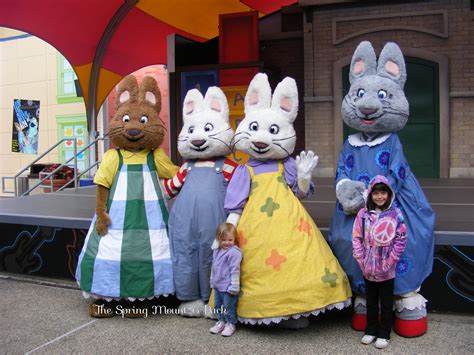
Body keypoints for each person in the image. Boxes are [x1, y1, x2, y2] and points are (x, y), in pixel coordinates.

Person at [352, 175, 407, 349]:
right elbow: (356, 237)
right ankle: (370, 330)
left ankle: (384, 333)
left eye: (383, 192)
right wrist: (361, 259)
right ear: (370, 195)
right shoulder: (363, 214)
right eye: (376, 193)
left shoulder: (396, 215)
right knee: (371, 302)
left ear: (389, 193)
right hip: (367, 269)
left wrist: (390, 261)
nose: (380, 196)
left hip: (387, 271)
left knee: (386, 302)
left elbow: (401, 239)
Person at [209, 223, 242, 337]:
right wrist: (212, 281)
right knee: (219, 306)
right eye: (224, 240)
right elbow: (214, 267)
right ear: (218, 239)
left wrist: (235, 285)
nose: (227, 242)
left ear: (234, 239)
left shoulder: (234, 253)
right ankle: (221, 322)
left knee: (228, 306)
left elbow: (235, 270)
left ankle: (231, 324)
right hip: (218, 286)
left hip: (229, 287)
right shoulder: (217, 251)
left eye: (230, 239)